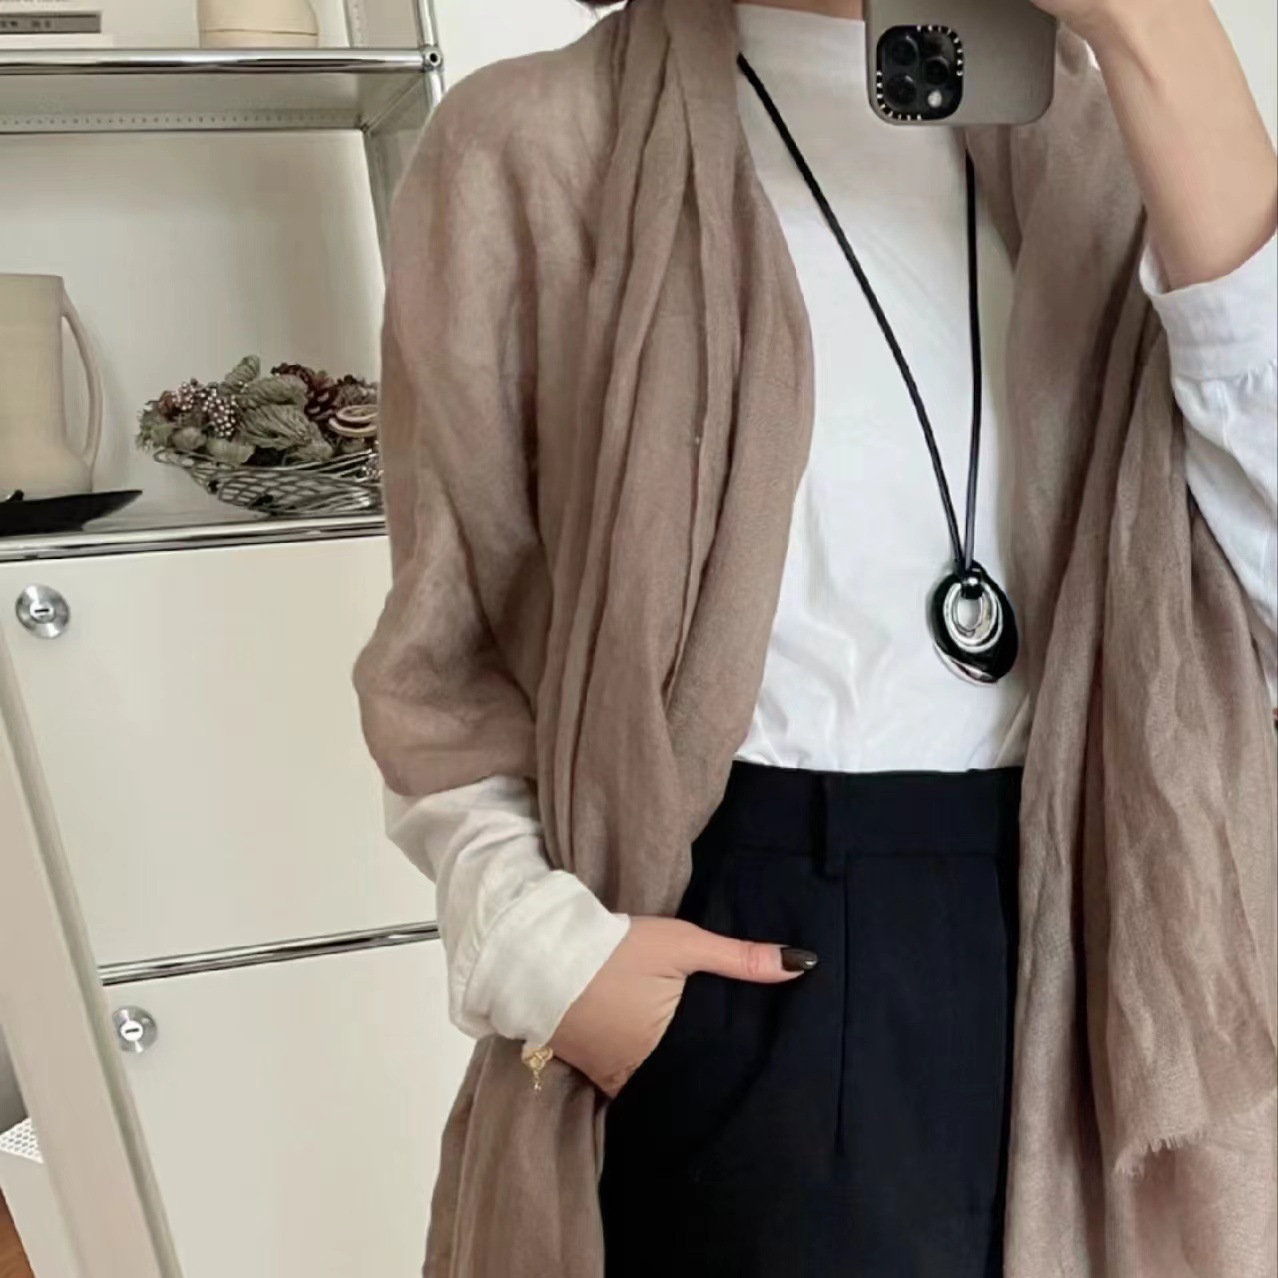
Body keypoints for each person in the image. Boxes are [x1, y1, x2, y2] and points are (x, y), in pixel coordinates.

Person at [355, 1, 1278, 1275]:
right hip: (761, 961)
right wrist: (547, 956)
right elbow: (449, 658)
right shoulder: (535, 143)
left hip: (1123, 944)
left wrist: (1162, 37)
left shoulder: (1123, 139)